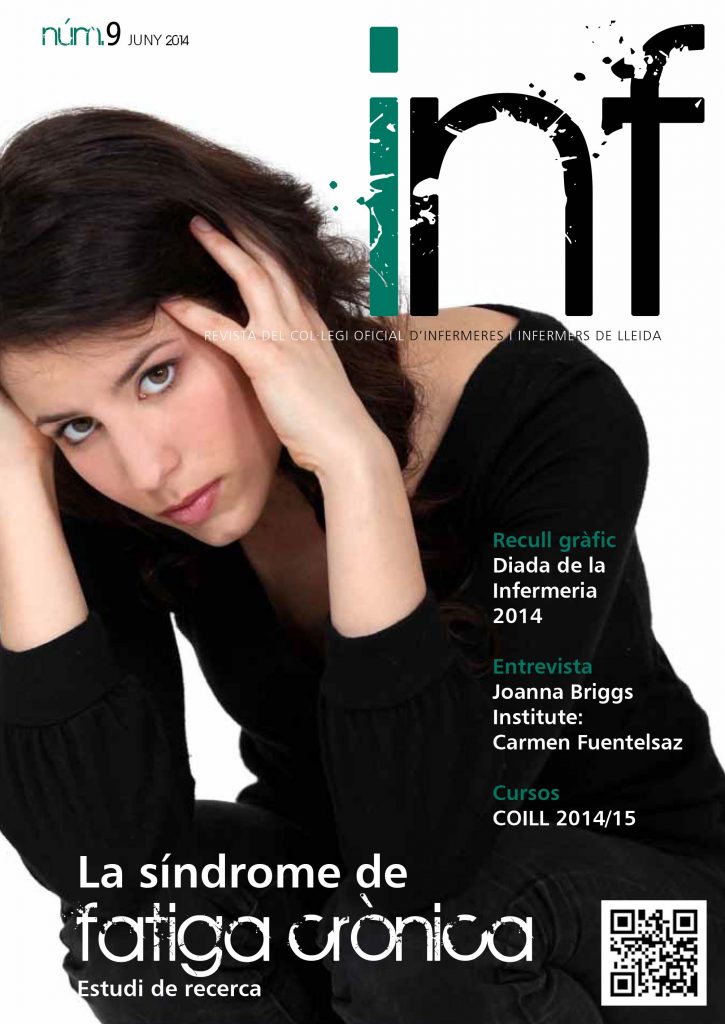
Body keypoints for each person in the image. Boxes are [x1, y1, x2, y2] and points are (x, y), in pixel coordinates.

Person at [0, 107, 723, 1024]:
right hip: (362, 903)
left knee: (419, 937)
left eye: (157, 375)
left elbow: (423, 858)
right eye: (75, 424)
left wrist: (352, 464)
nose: (146, 469)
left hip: (661, 936)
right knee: (143, 934)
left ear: (259, 301)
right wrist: (14, 486)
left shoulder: (540, 407)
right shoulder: (109, 489)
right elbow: (103, 870)